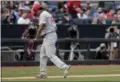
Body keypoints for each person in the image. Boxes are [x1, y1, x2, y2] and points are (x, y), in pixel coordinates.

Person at [32, 6, 70, 78]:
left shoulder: (43, 14)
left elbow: (41, 26)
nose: (36, 14)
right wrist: (40, 34)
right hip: (48, 35)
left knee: (50, 54)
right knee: (42, 54)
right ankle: (43, 73)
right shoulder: (46, 13)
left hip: (50, 35)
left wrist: (36, 36)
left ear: (39, 10)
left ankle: (64, 66)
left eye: (36, 12)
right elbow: (43, 27)